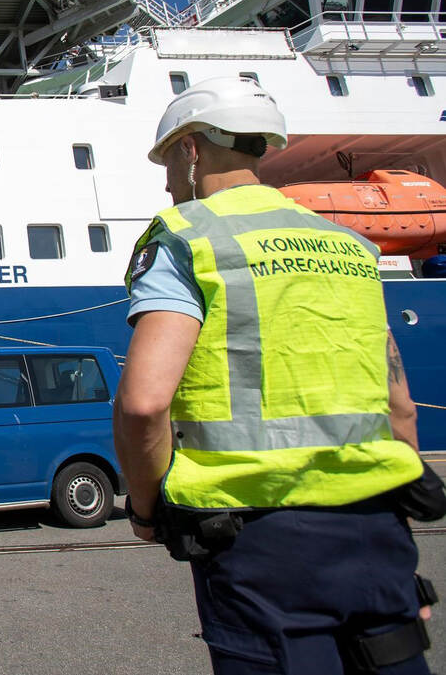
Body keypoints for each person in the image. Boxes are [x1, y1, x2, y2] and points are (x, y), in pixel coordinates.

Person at [113, 77, 438, 674]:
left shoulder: (187, 238)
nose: (164, 182)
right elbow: (401, 410)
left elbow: (143, 403)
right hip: (376, 532)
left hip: (259, 540)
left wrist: (147, 509)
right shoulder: (346, 244)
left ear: (191, 149)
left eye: (164, 163)